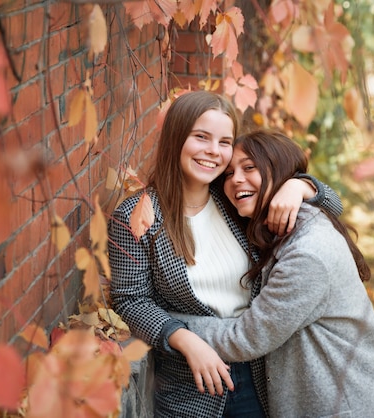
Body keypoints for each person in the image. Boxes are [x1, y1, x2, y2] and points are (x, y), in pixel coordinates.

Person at [108, 91, 343, 418]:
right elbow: (130, 300)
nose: (213, 152)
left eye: (224, 142)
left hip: (261, 378)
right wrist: (185, 340)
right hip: (190, 386)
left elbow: (334, 205)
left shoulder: (234, 199)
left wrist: (300, 187)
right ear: (177, 137)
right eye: (201, 137)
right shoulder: (136, 216)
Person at [169, 129, 374, 417]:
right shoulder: (283, 225)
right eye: (229, 174)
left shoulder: (307, 254)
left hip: (345, 406)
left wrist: (170, 327)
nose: (236, 180)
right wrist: (302, 186)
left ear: (279, 173)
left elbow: (245, 338)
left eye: (249, 168)